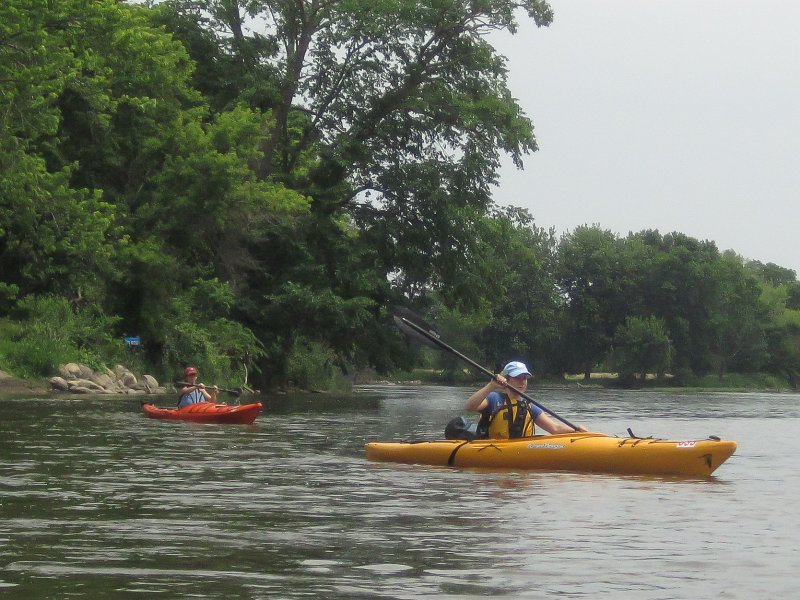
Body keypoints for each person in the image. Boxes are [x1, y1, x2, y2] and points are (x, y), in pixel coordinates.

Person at [465, 361, 587, 438]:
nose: (522, 382)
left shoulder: (529, 406)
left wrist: (576, 430)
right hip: (492, 448)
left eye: (524, 378)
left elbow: (555, 429)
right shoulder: (494, 398)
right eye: (518, 378)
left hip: (519, 450)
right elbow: (469, 407)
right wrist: (490, 386)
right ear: (506, 379)